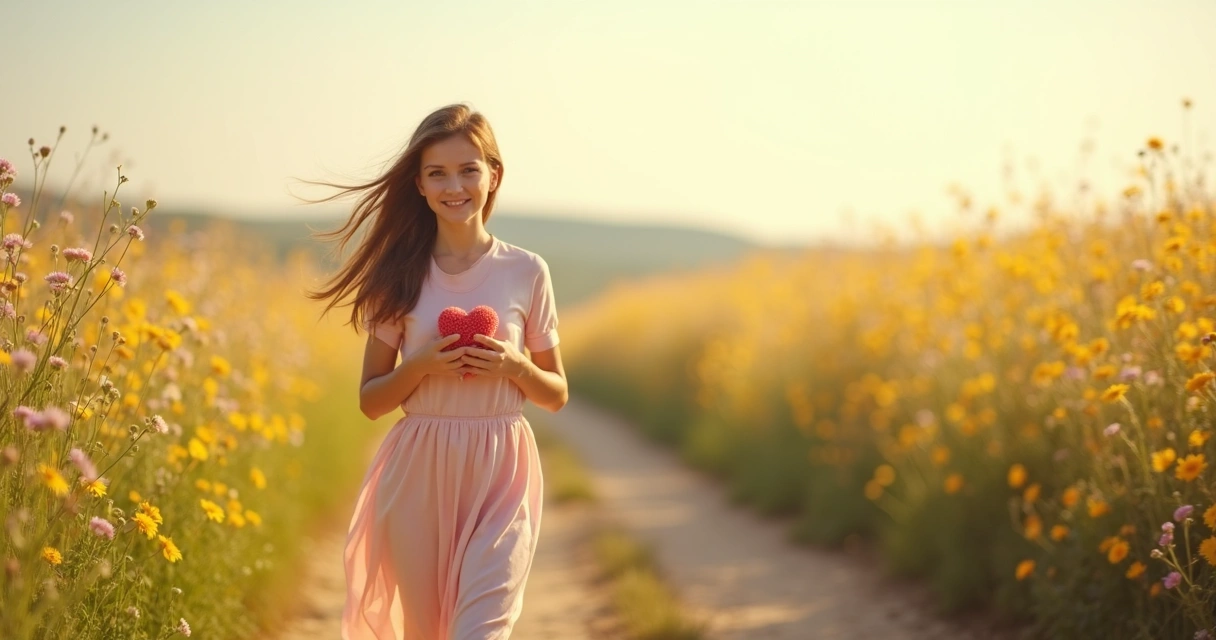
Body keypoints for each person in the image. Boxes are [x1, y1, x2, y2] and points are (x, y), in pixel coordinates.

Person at [304, 103, 568, 639]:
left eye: (469, 169)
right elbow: (372, 399)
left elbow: (556, 392)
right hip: (420, 469)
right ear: (419, 186)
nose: (455, 186)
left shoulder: (527, 271)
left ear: (494, 175)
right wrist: (421, 364)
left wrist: (515, 366)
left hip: (502, 469)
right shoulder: (398, 275)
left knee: (481, 629)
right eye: (437, 173)